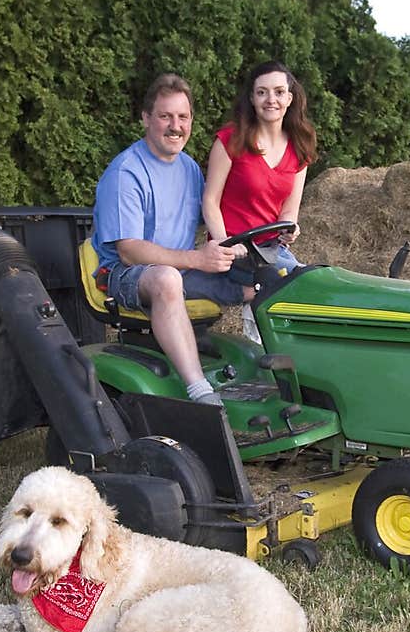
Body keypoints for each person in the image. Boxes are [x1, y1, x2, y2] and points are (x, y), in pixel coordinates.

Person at [91, 73, 253, 406]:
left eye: (183, 117)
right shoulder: (126, 172)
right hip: (126, 276)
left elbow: (216, 215)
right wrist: (197, 259)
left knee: (260, 281)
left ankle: (279, 380)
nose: (175, 126)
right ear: (146, 119)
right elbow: (129, 251)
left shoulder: (190, 168)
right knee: (165, 279)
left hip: (182, 270)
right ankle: (200, 391)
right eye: (165, 116)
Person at [203, 61, 317, 337]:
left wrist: (290, 229)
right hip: (234, 251)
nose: (271, 100)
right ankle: (261, 351)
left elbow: (289, 212)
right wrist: (225, 244)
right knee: (287, 286)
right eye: (262, 92)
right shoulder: (231, 139)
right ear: (252, 99)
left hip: (271, 249)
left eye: (279, 92)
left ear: (290, 98)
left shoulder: (300, 146)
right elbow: (210, 200)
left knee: (312, 281)